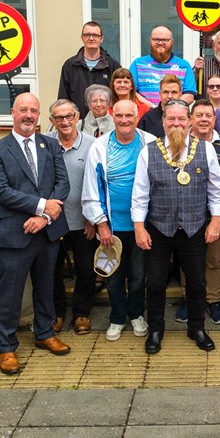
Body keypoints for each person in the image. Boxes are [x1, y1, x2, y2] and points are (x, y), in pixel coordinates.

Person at [131, 99, 220, 354]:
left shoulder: (206, 150)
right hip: (158, 229)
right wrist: (139, 227)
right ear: (163, 121)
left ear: (190, 122)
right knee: (156, 283)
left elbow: (217, 190)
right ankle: (156, 330)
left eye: (181, 119)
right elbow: (140, 194)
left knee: (196, 283)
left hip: (194, 228)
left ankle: (197, 328)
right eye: (171, 119)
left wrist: (215, 221)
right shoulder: (148, 152)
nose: (176, 123)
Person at [0, 92, 71, 375]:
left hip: (46, 231)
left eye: (33, 111)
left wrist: (45, 216)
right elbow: (1, 191)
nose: (28, 115)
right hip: (15, 231)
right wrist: (39, 206)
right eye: (23, 110)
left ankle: (44, 332)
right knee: (9, 293)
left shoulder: (51, 144)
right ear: (13, 112)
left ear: (39, 116)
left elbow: (62, 184)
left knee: (46, 286)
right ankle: (6, 347)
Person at [82, 99, 154, 342]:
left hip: (141, 226)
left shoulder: (150, 143)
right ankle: (117, 318)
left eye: (129, 116)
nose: (124, 120)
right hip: (111, 227)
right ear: (113, 116)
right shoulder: (100, 147)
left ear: (137, 117)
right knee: (113, 277)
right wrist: (101, 223)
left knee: (137, 275)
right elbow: (91, 187)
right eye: (120, 115)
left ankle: (136, 314)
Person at [177, 99, 220, 325]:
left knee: (213, 260)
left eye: (208, 116)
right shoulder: (180, 145)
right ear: (191, 119)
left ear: (214, 119)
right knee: (187, 260)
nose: (203, 119)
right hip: (186, 216)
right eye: (198, 115)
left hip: (214, 217)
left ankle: (213, 300)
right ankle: (187, 298)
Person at [47, 99, 99, 334]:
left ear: (78, 117)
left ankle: (81, 313)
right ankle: (57, 313)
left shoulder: (93, 145)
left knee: (86, 269)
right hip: (52, 220)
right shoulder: (44, 145)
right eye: (59, 118)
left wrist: (92, 218)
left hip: (82, 220)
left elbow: (98, 183)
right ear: (52, 121)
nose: (65, 122)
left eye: (69, 116)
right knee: (52, 270)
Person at [57, 21, 120, 120]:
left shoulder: (112, 66)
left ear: (101, 38)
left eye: (95, 35)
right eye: (87, 35)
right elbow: (63, 98)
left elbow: (119, 96)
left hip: (106, 124)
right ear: (82, 38)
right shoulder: (70, 65)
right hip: (77, 123)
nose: (91, 38)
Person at [129, 25, 196, 104]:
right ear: (150, 41)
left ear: (172, 42)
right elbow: (131, 92)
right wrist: (152, 108)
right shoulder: (137, 64)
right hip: (145, 114)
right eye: (156, 39)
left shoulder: (184, 66)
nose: (160, 43)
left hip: (174, 115)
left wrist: (170, 108)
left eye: (165, 40)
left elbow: (189, 95)